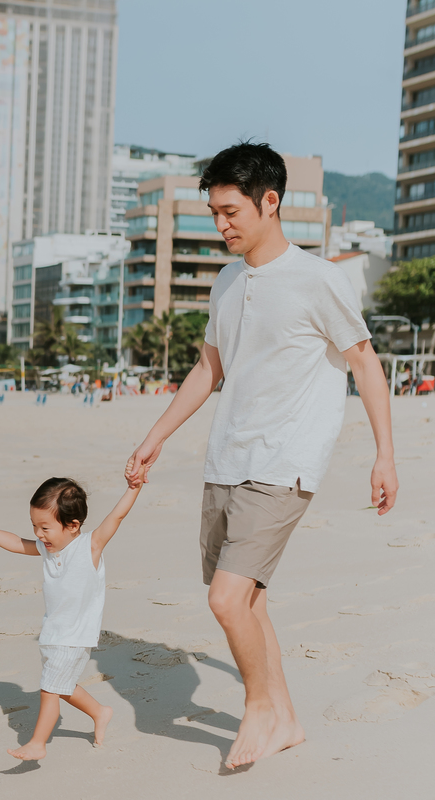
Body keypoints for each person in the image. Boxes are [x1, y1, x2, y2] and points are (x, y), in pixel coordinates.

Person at [124, 142, 398, 769]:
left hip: (285, 462)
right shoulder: (227, 279)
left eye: (230, 212)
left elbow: (365, 363)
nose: (221, 225)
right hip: (226, 458)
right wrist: (156, 434)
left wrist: (385, 456)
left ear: (270, 202)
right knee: (250, 601)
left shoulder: (318, 278)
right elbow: (208, 367)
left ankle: (259, 710)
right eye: (214, 214)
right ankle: (290, 720)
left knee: (224, 599)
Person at [0, 474, 145, 761]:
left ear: (73, 525)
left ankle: (38, 743)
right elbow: (16, 542)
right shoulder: (47, 549)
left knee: (50, 688)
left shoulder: (90, 546)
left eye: (45, 527)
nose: (39, 534)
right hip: (53, 633)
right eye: (35, 527)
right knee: (62, 687)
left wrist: (133, 488)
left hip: (75, 635)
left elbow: (118, 516)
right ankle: (100, 712)